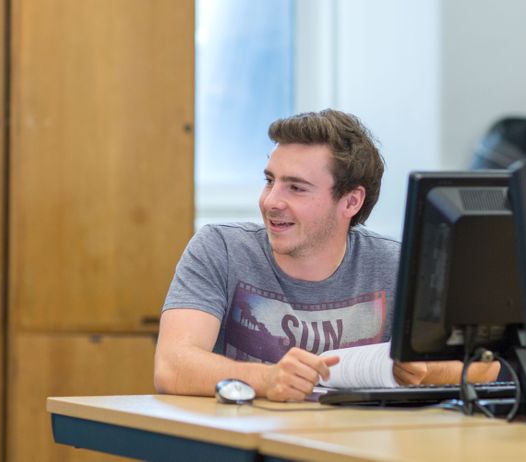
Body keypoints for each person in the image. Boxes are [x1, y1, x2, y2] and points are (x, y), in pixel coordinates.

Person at [154, 109, 499, 401]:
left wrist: (422, 372)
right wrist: (267, 379)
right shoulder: (221, 249)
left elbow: (488, 366)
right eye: (269, 181)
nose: (271, 201)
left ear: (351, 201)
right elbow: (171, 365)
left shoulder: (396, 266)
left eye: (296, 187)